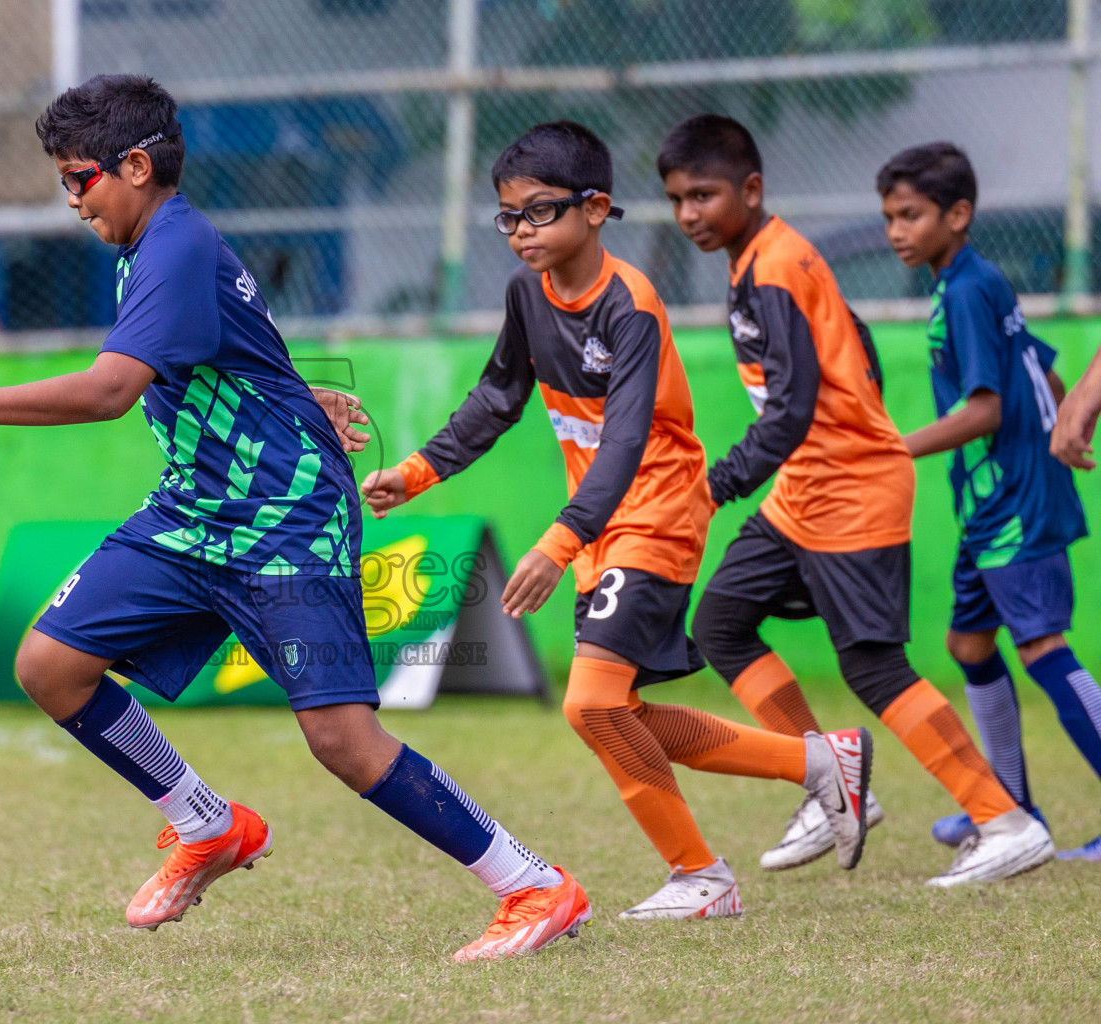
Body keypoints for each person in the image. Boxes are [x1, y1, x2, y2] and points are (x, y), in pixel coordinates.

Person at [0, 74, 591, 962]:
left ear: (135, 165)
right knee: (51, 665)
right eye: (61, 181)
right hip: (195, 513)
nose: (71, 201)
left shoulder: (173, 245)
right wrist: (298, 392)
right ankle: (205, 822)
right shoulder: (152, 246)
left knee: (344, 741)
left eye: (78, 179)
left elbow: (108, 391)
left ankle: (533, 885)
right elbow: (235, 345)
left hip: (287, 522)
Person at [362, 121, 873, 920]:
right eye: (507, 216)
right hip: (604, 526)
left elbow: (629, 441)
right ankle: (818, 764)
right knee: (619, 713)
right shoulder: (527, 294)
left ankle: (702, 875)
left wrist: (557, 543)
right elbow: (499, 398)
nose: (521, 232)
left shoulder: (630, 305)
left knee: (590, 705)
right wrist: (415, 472)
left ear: (596, 208)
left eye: (538, 212)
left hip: (659, 512)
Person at [659, 114, 1053, 885]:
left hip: (849, 491)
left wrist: (716, 486)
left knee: (872, 667)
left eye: (703, 195)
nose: (688, 215)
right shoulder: (766, 261)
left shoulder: (775, 266)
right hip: (807, 487)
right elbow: (854, 341)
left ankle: (1002, 819)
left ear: (751, 189)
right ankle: (830, 780)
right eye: (676, 199)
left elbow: (792, 408)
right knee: (722, 621)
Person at [879, 141, 1101, 860]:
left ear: (958, 213)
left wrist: (892, 449)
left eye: (910, 215)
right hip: (995, 501)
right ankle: (1009, 808)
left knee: (1040, 644)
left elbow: (986, 409)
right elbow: (1043, 366)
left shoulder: (969, 289)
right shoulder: (964, 281)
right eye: (889, 217)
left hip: (1013, 503)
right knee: (969, 645)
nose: (896, 232)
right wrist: (1064, 431)